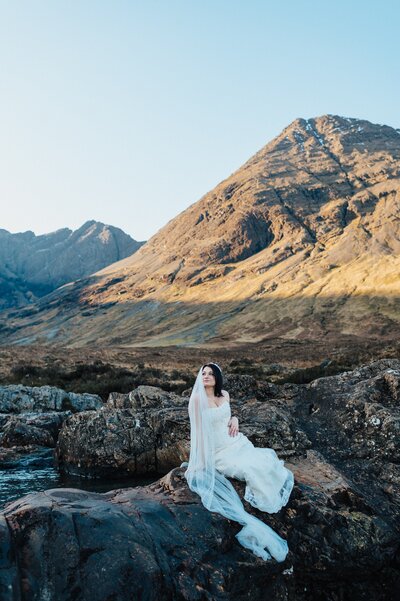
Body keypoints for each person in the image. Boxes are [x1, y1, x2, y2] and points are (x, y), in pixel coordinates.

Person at [181, 362, 294, 562]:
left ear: (217, 378)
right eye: (203, 373)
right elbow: (197, 432)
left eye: (210, 373)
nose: (206, 376)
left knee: (265, 460)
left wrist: (235, 419)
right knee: (250, 468)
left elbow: (228, 414)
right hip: (218, 451)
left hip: (235, 442)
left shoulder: (224, 395)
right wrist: (201, 460)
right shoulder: (197, 400)